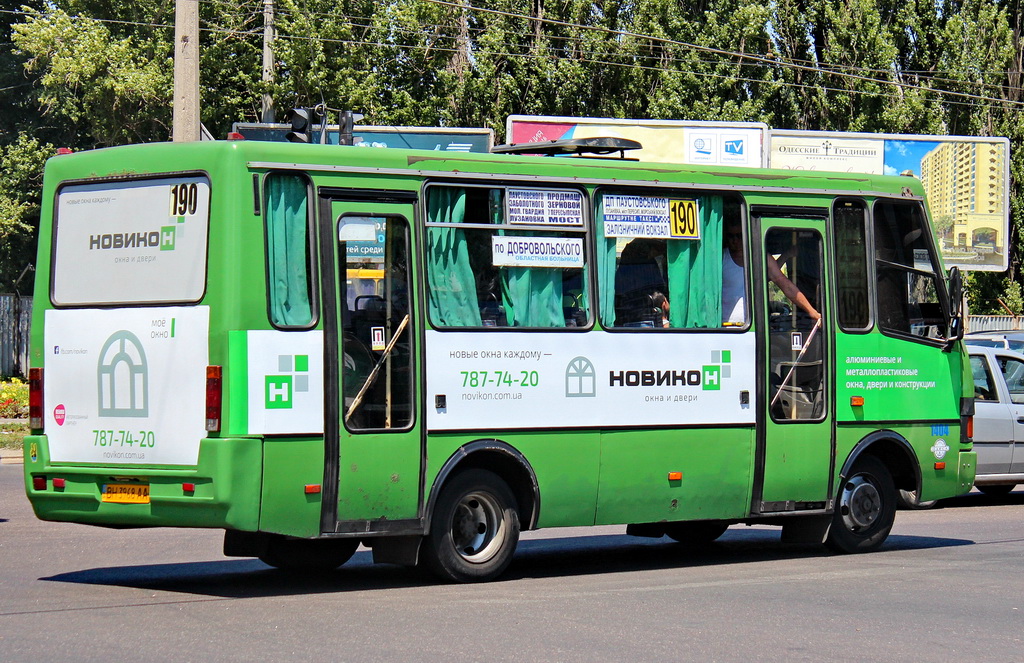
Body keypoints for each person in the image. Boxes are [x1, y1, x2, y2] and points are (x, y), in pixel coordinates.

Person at [722, 219, 821, 324]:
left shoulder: (762, 257)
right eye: (731, 236)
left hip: (755, 328)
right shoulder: (721, 258)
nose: (735, 240)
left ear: (747, 234)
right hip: (726, 325)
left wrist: (812, 312)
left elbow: (785, 285)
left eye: (739, 235)